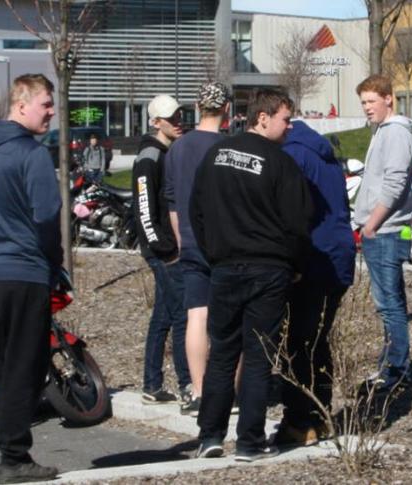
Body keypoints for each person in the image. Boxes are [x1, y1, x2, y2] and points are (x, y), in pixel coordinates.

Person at [191, 88, 312, 462]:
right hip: (268, 267)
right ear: (263, 118)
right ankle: (249, 442)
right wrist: (295, 265)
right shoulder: (280, 164)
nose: (289, 127)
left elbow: (197, 211)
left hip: (226, 266)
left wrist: (215, 253)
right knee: (258, 356)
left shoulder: (215, 156)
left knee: (223, 353)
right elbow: (299, 222)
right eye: (285, 119)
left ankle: (209, 436)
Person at [0, 73, 62, 483]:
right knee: (27, 365)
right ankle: (15, 458)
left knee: (4, 368)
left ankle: (10, 452)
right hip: (25, 272)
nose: (52, 112)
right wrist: (55, 266)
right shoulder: (32, 154)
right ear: (21, 104)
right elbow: (46, 216)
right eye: (45, 104)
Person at [276, 119, 356, 446]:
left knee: (297, 342)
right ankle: (322, 416)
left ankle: (298, 420)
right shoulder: (325, 154)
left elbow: (290, 210)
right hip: (339, 253)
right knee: (318, 340)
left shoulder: (293, 155)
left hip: (314, 254)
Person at [163, 81, 231, 416]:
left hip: (189, 240)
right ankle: (228, 391)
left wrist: (181, 240)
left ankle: (200, 390)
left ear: (195, 106)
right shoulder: (228, 147)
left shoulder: (178, 148)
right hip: (225, 243)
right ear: (227, 110)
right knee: (229, 318)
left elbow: (172, 202)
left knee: (196, 315)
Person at [353, 75, 412, 395]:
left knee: (389, 304)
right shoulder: (383, 132)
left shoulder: (395, 134)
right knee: (390, 303)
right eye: (363, 102)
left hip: (386, 232)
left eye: (371, 101)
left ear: (389, 98)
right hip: (383, 230)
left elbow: (394, 184)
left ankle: (394, 371)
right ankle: (390, 366)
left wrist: (371, 223)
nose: (367, 108)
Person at [132, 94, 190, 404]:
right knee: (181, 314)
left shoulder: (168, 153)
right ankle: (187, 384)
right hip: (163, 251)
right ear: (156, 123)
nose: (179, 123)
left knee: (163, 315)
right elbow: (144, 210)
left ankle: (151, 385)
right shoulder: (149, 158)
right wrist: (166, 248)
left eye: (181, 116)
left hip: (168, 248)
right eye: (172, 119)